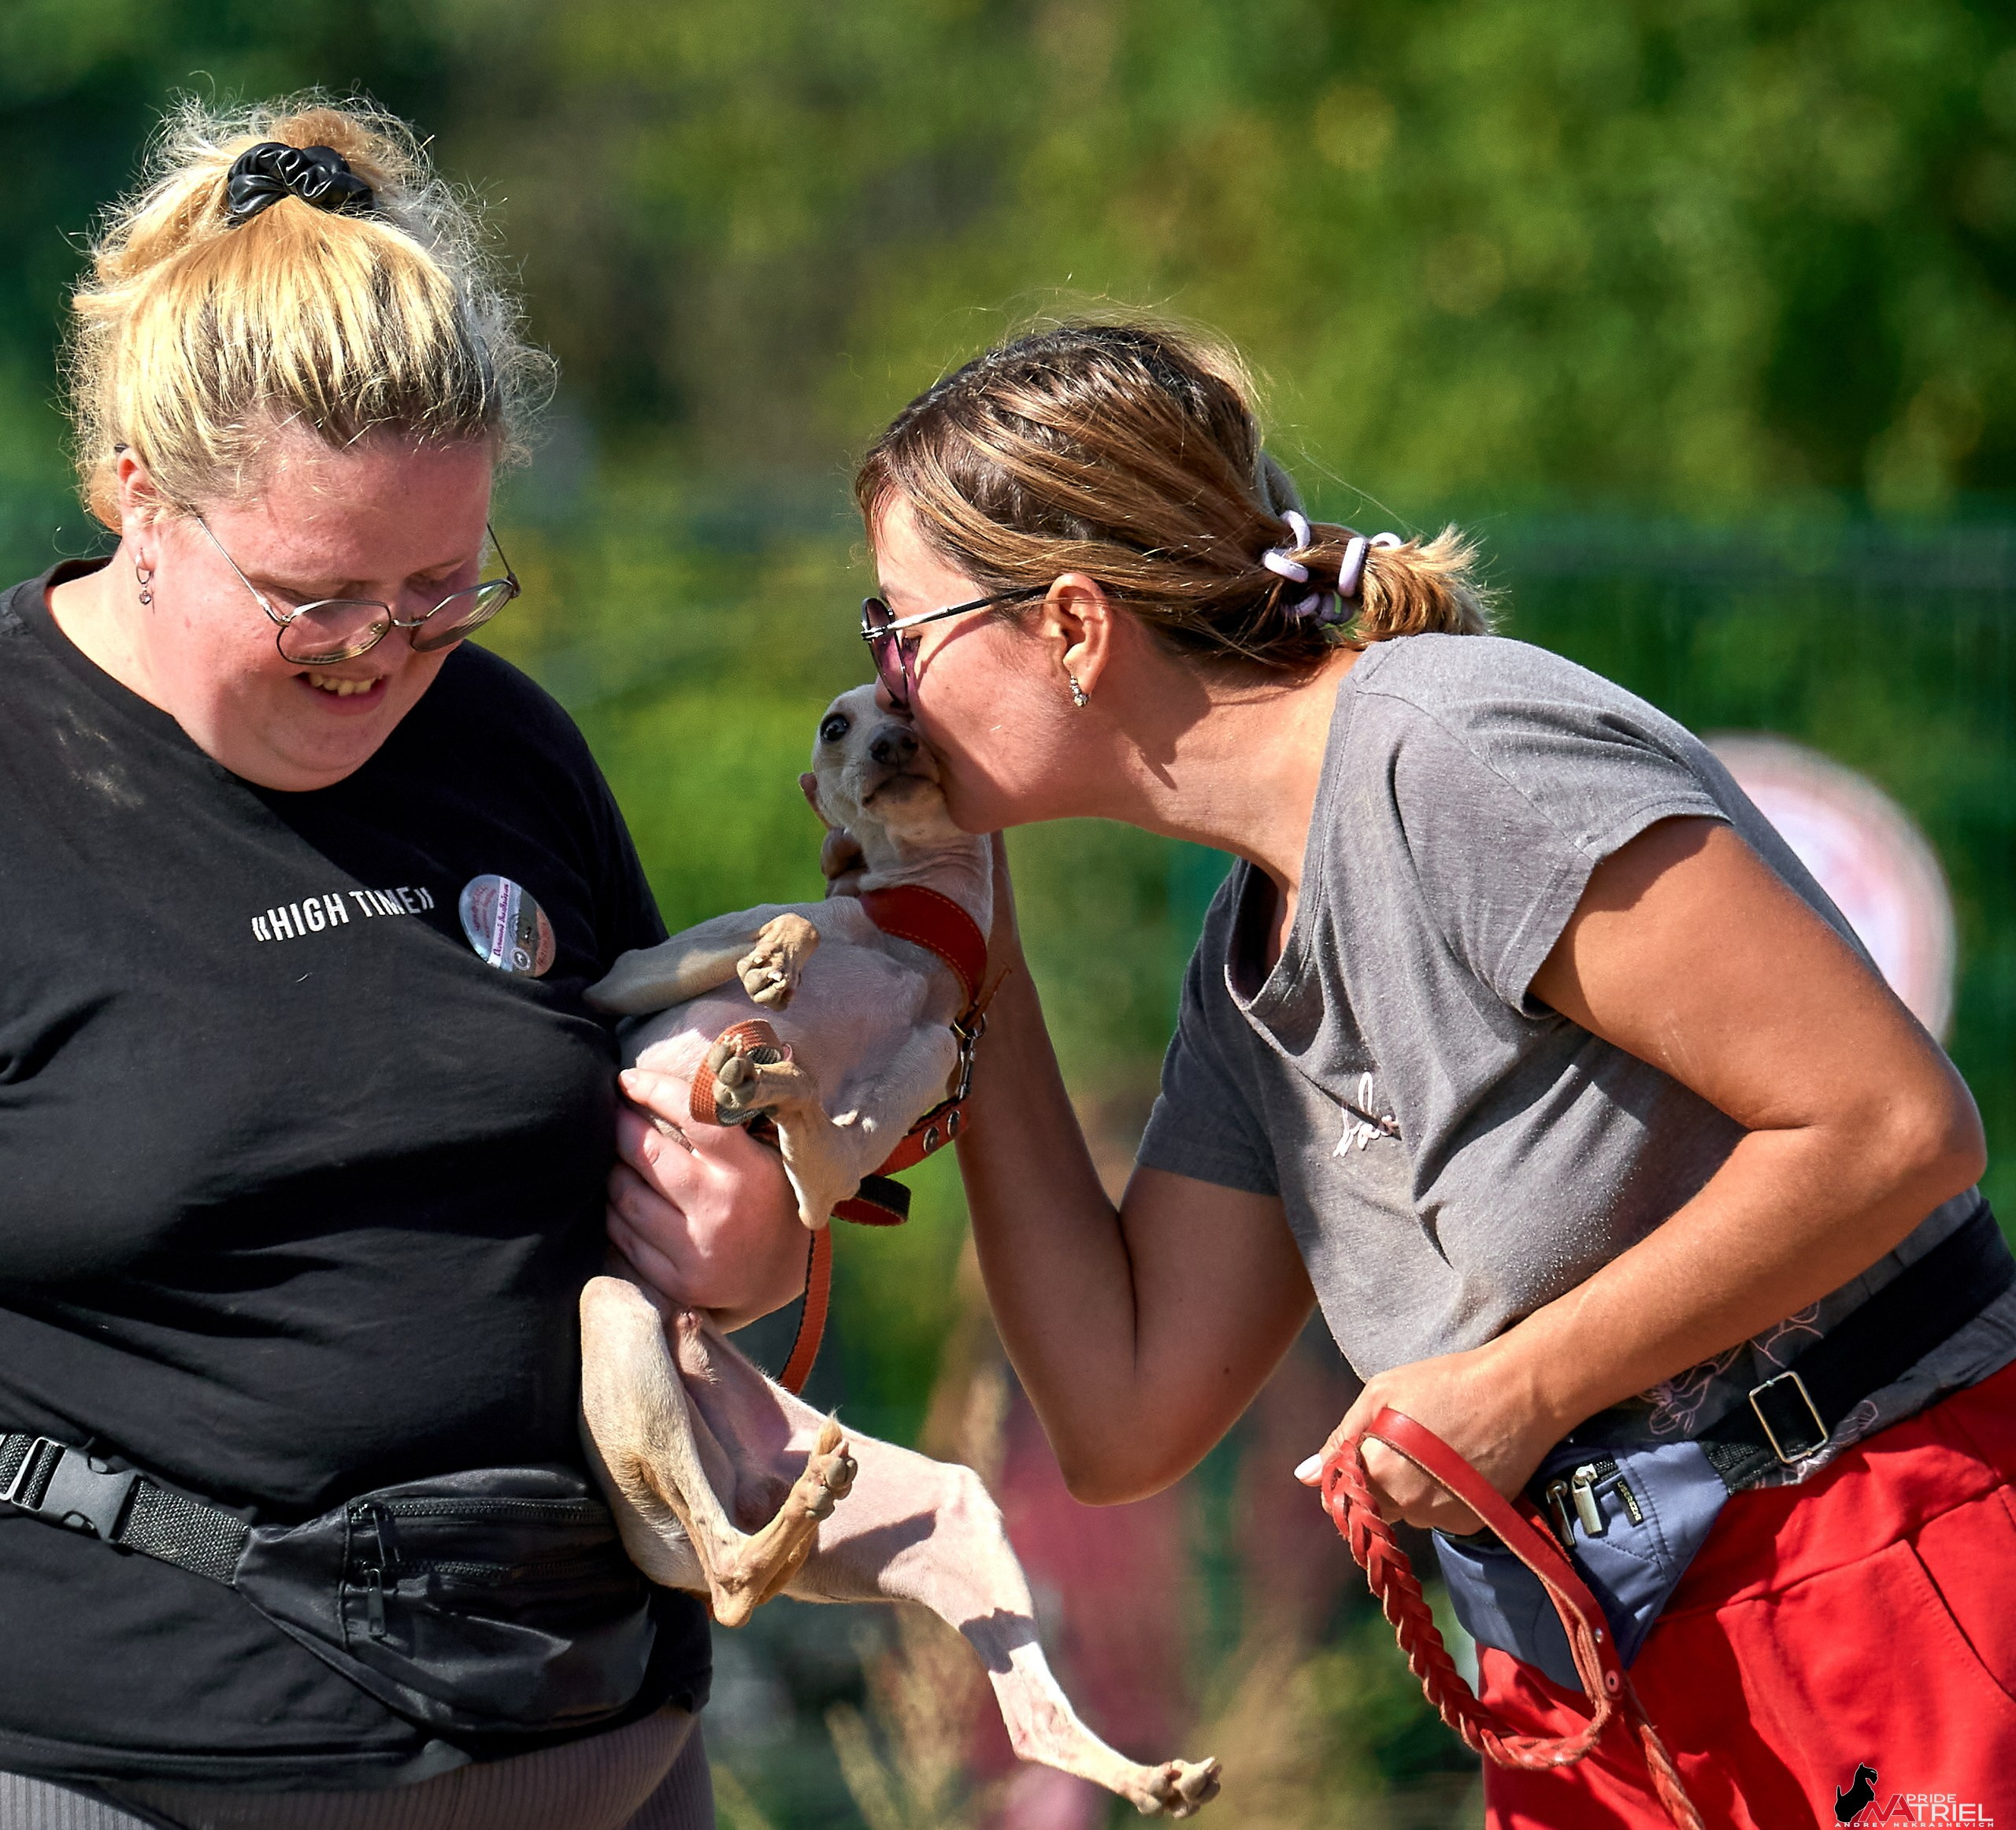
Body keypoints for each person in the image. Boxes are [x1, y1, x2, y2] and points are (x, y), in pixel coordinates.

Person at [621, 319, 2016, 1825]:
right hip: (1591, 1663)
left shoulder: (1453, 754)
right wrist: (977, 955)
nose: (884, 686)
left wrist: (1521, 1387)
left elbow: (1892, 1123)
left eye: (904, 630)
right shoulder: (1252, 946)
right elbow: (1121, 1415)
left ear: (1075, 628)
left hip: (1867, 1566)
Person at [0, 98, 715, 1828]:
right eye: (316, 596)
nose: (381, 654)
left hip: (597, 1741)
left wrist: (739, 1237)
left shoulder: (507, 747)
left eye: (445, 586)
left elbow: (658, 1187)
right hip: (131, 1770)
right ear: (136, 498)